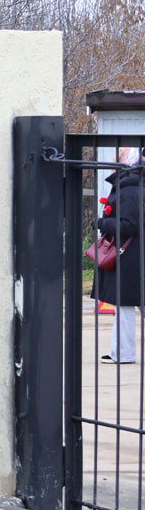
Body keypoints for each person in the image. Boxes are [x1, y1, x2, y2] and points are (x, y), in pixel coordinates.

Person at [95, 150, 143, 365]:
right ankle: (120, 352)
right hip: (130, 255)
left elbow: (130, 225)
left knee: (124, 305)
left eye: (117, 159)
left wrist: (102, 222)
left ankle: (123, 353)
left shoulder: (130, 189)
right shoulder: (127, 186)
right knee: (124, 305)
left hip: (130, 256)